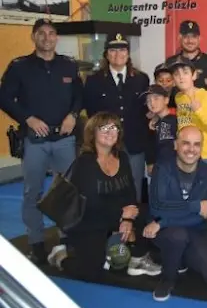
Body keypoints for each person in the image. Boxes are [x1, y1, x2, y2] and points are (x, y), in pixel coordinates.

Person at [0, 18, 82, 263]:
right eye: (42, 33)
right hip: (34, 140)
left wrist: (73, 115)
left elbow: (79, 95)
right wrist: (28, 118)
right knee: (32, 192)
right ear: (34, 37)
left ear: (57, 37)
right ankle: (36, 243)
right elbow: (4, 98)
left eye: (51, 33)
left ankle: (67, 238)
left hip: (64, 140)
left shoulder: (68, 65)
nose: (47, 38)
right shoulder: (19, 66)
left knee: (68, 191)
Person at [46, 112, 160, 280]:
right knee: (91, 270)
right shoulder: (85, 163)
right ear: (93, 133)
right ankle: (60, 257)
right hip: (88, 220)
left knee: (144, 212)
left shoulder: (122, 157)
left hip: (117, 215)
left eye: (114, 128)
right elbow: (91, 204)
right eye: (104, 128)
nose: (109, 132)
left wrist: (128, 220)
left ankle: (136, 258)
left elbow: (129, 192)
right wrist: (121, 215)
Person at [145, 126, 207, 301]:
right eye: (186, 143)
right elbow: (156, 208)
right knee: (177, 236)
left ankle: (180, 256)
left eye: (196, 144)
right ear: (176, 145)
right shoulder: (162, 168)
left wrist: (163, 222)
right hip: (168, 230)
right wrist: (193, 206)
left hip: (193, 228)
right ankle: (168, 278)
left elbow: (203, 215)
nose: (191, 149)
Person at [83, 33, 151, 201]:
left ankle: (131, 224)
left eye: (122, 50)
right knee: (107, 186)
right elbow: (93, 114)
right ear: (106, 54)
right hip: (107, 144)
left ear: (128, 54)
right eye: (113, 50)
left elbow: (145, 113)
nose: (118, 54)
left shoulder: (141, 79)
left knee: (134, 187)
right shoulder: (94, 80)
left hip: (135, 144)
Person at [169, 57, 207, 169]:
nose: (181, 77)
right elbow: (183, 124)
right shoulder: (179, 97)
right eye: (176, 74)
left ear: (194, 76)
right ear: (173, 79)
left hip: (206, 156)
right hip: (186, 155)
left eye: (185, 72)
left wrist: (198, 111)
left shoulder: (206, 97)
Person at [165, 20, 207, 89]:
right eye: (186, 36)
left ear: (199, 38)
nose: (190, 41)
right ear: (180, 38)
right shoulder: (170, 62)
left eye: (194, 37)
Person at [143, 84, 178, 173]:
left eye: (156, 98)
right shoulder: (152, 123)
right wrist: (150, 162)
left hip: (173, 170)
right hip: (158, 169)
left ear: (166, 100)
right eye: (148, 100)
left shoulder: (175, 120)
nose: (152, 103)